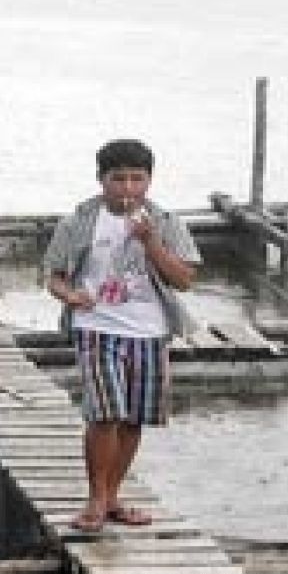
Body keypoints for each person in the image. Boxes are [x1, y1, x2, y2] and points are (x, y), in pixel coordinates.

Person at [42, 139, 202, 532]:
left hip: (150, 330)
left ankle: (114, 497)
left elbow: (183, 280)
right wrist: (70, 295)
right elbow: (53, 275)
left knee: (133, 418)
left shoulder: (165, 222)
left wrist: (150, 243)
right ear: (101, 180)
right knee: (105, 411)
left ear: (149, 180)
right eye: (118, 179)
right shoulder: (79, 220)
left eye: (137, 178)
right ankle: (96, 499)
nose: (128, 188)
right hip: (96, 326)